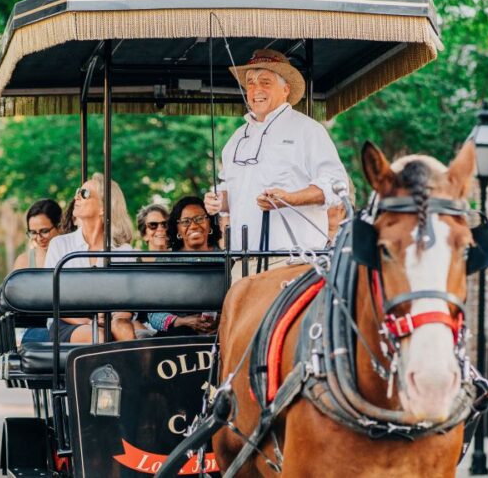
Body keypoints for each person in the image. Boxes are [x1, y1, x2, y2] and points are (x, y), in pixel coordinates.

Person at [204, 49, 347, 273]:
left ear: (285, 89)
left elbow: (338, 186)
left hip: (292, 261)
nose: (256, 89)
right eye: (250, 83)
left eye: (265, 82)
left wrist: (290, 198)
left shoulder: (308, 130)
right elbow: (231, 195)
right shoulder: (236, 139)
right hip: (242, 263)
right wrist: (219, 201)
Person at [44, 173, 136, 343]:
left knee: (123, 329)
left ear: (103, 207)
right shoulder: (60, 245)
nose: (76, 197)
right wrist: (89, 321)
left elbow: (127, 304)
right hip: (69, 321)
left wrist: (114, 319)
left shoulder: (123, 250)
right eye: (78, 191)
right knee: (97, 336)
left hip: (110, 319)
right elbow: (51, 299)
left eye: (84, 193)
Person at [148, 197, 220, 336]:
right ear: (178, 230)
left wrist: (222, 321)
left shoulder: (227, 258)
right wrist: (183, 321)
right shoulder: (165, 261)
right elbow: (153, 314)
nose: (193, 226)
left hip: (221, 333)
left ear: (210, 223)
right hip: (178, 335)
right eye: (186, 222)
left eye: (199, 219)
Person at [13, 199, 62, 344]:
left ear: (59, 226)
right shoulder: (24, 261)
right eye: (33, 233)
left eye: (44, 231)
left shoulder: (71, 254)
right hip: (34, 327)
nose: (39, 238)